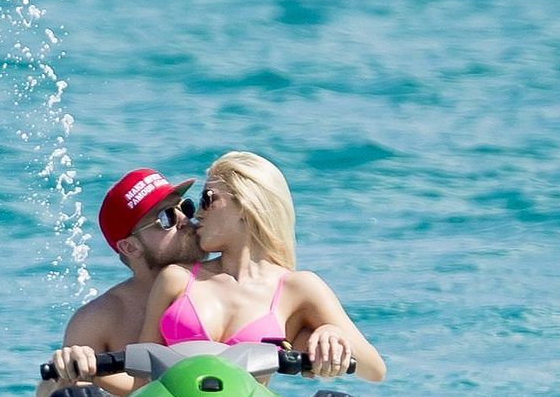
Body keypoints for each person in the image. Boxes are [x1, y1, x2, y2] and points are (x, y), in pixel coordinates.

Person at [3, 167, 207, 397]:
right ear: (130, 247)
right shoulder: (102, 317)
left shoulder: (229, 282)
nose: (184, 220)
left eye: (186, 207)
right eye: (166, 217)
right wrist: (64, 374)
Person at [141, 150, 385, 382]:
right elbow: (140, 375)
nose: (198, 215)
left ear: (245, 205)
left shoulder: (298, 289)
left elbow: (374, 370)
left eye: (207, 199)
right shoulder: (176, 279)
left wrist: (332, 332)